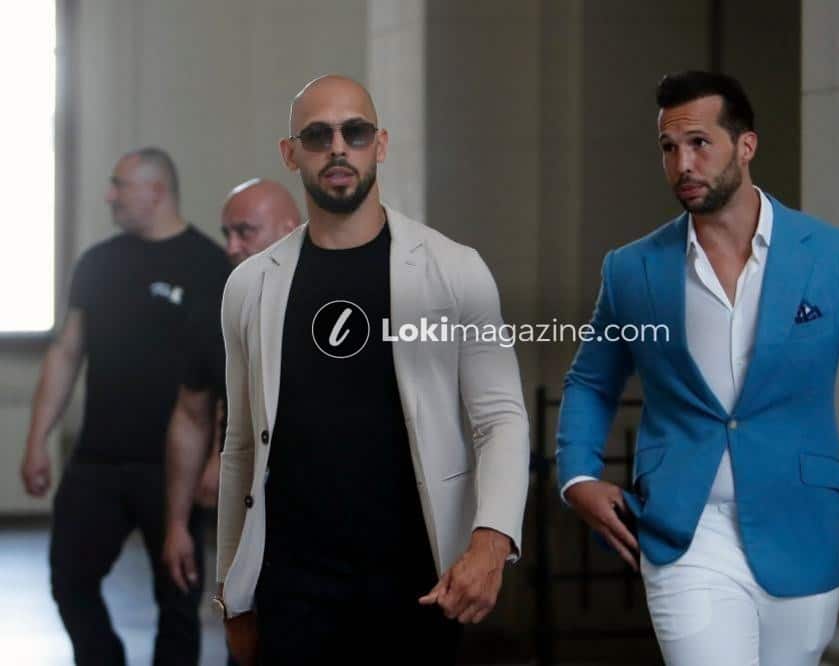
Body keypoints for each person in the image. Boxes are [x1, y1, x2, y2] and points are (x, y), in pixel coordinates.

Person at [556, 71, 839, 665]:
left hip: (801, 527)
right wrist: (577, 475)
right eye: (669, 148)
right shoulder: (632, 270)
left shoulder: (835, 258)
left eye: (700, 143)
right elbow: (592, 381)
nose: (682, 164)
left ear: (745, 146)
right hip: (685, 530)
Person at [214, 75, 530, 665]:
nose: (338, 148)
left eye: (354, 132)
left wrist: (492, 540)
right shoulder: (250, 286)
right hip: (292, 586)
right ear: (290, 153)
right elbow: (239, 448)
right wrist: (232, 593)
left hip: (416, 582)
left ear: (379, 144)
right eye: (317, 135)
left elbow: (501, 419)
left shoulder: (454, 270)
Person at [20, 147, 231, 665]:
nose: (109, 195)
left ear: (156, 191)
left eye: (119, 185)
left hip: (172, 469)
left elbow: (224, 373)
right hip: (98, 458)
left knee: (178, 598)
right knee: (69, 580)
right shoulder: (97, 263)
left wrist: (215, 458)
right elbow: (66, 351)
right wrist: (37, 440)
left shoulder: (208, 265)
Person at [161, 179, 300, 666]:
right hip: (248, 523)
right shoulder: (216, 311)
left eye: (245, 231)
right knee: (245, 646)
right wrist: (178, 524)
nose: (232, 246)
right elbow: (191, 414)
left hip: (329, 528)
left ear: (289, 230)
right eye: (227, 233)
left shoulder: (332, 303)